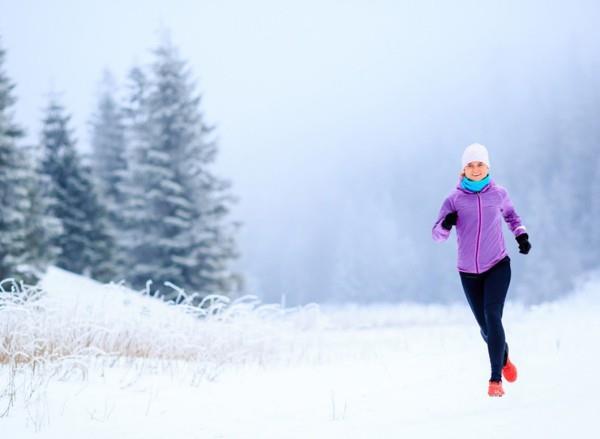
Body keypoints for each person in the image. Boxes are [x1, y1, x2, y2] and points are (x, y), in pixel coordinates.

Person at [432, 143, 531, 397]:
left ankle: (495, 379)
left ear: (488, 167)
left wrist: (521, 236)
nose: (475, 169)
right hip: (468, 273)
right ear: (463, 170)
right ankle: (505, 358)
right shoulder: (453, 200)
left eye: (480, 164)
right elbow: (437, 235)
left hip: (498, 265)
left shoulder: (498, 194)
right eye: (470, 165)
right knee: (486, 329)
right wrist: (446, 223)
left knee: (493, 316)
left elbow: (512, 217)